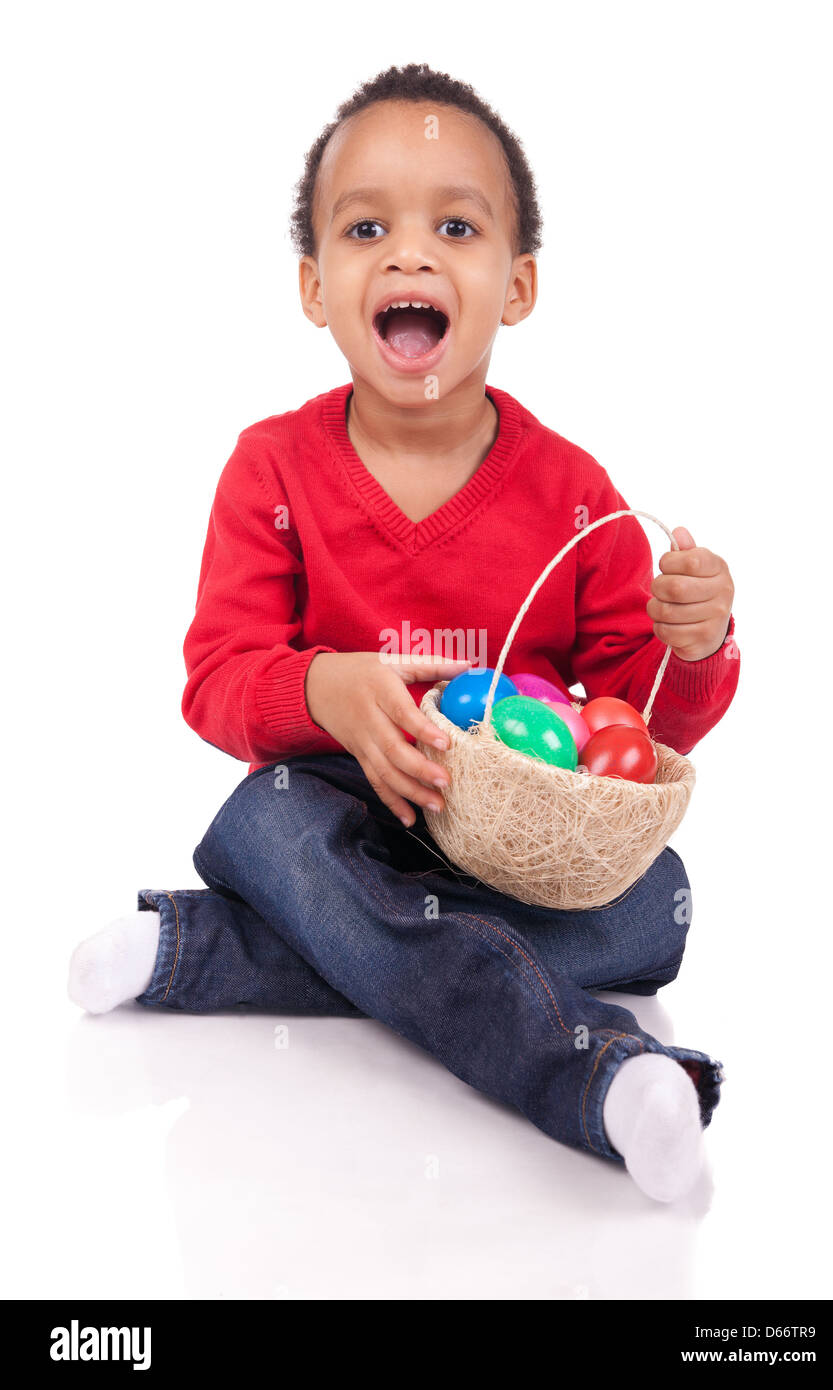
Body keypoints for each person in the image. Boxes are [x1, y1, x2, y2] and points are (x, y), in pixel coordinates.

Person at [68, 63, 738, 1203]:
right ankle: (601, 1076)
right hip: (334, 816)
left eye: (457, 226)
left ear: (517, 284)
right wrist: (322, 690)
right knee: (260, 822)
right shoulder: (270, 468)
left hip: (510, 841)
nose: (410, 254)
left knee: (656, 901)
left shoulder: (573, 491)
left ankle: (209, 949)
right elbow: (219, 680)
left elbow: (632, 722)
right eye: (366, 225)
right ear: (313, 285)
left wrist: (691, 645)